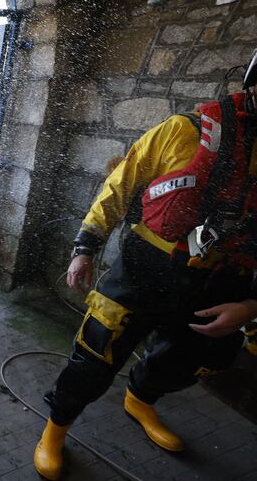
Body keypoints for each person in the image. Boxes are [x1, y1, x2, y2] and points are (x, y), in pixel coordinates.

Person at [34, 50, 257, 480]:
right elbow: (122, 184)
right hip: (146, 268)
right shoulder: (182, 131)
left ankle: (140, 399)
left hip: (221, 284)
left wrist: (251, 308)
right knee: (97, 353)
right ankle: (55, 431)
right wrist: (86, 247)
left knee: (195, 356)